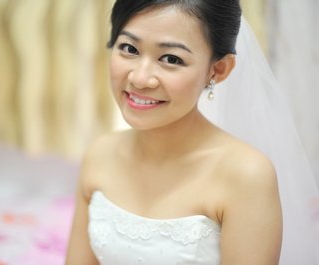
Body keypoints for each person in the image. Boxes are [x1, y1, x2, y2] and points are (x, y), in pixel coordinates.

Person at [65, 1, 318, 264]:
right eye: (129, 48)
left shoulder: (247, 175)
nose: (140, 78)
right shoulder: (100, 153)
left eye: (171, 59)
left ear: (218, 70)